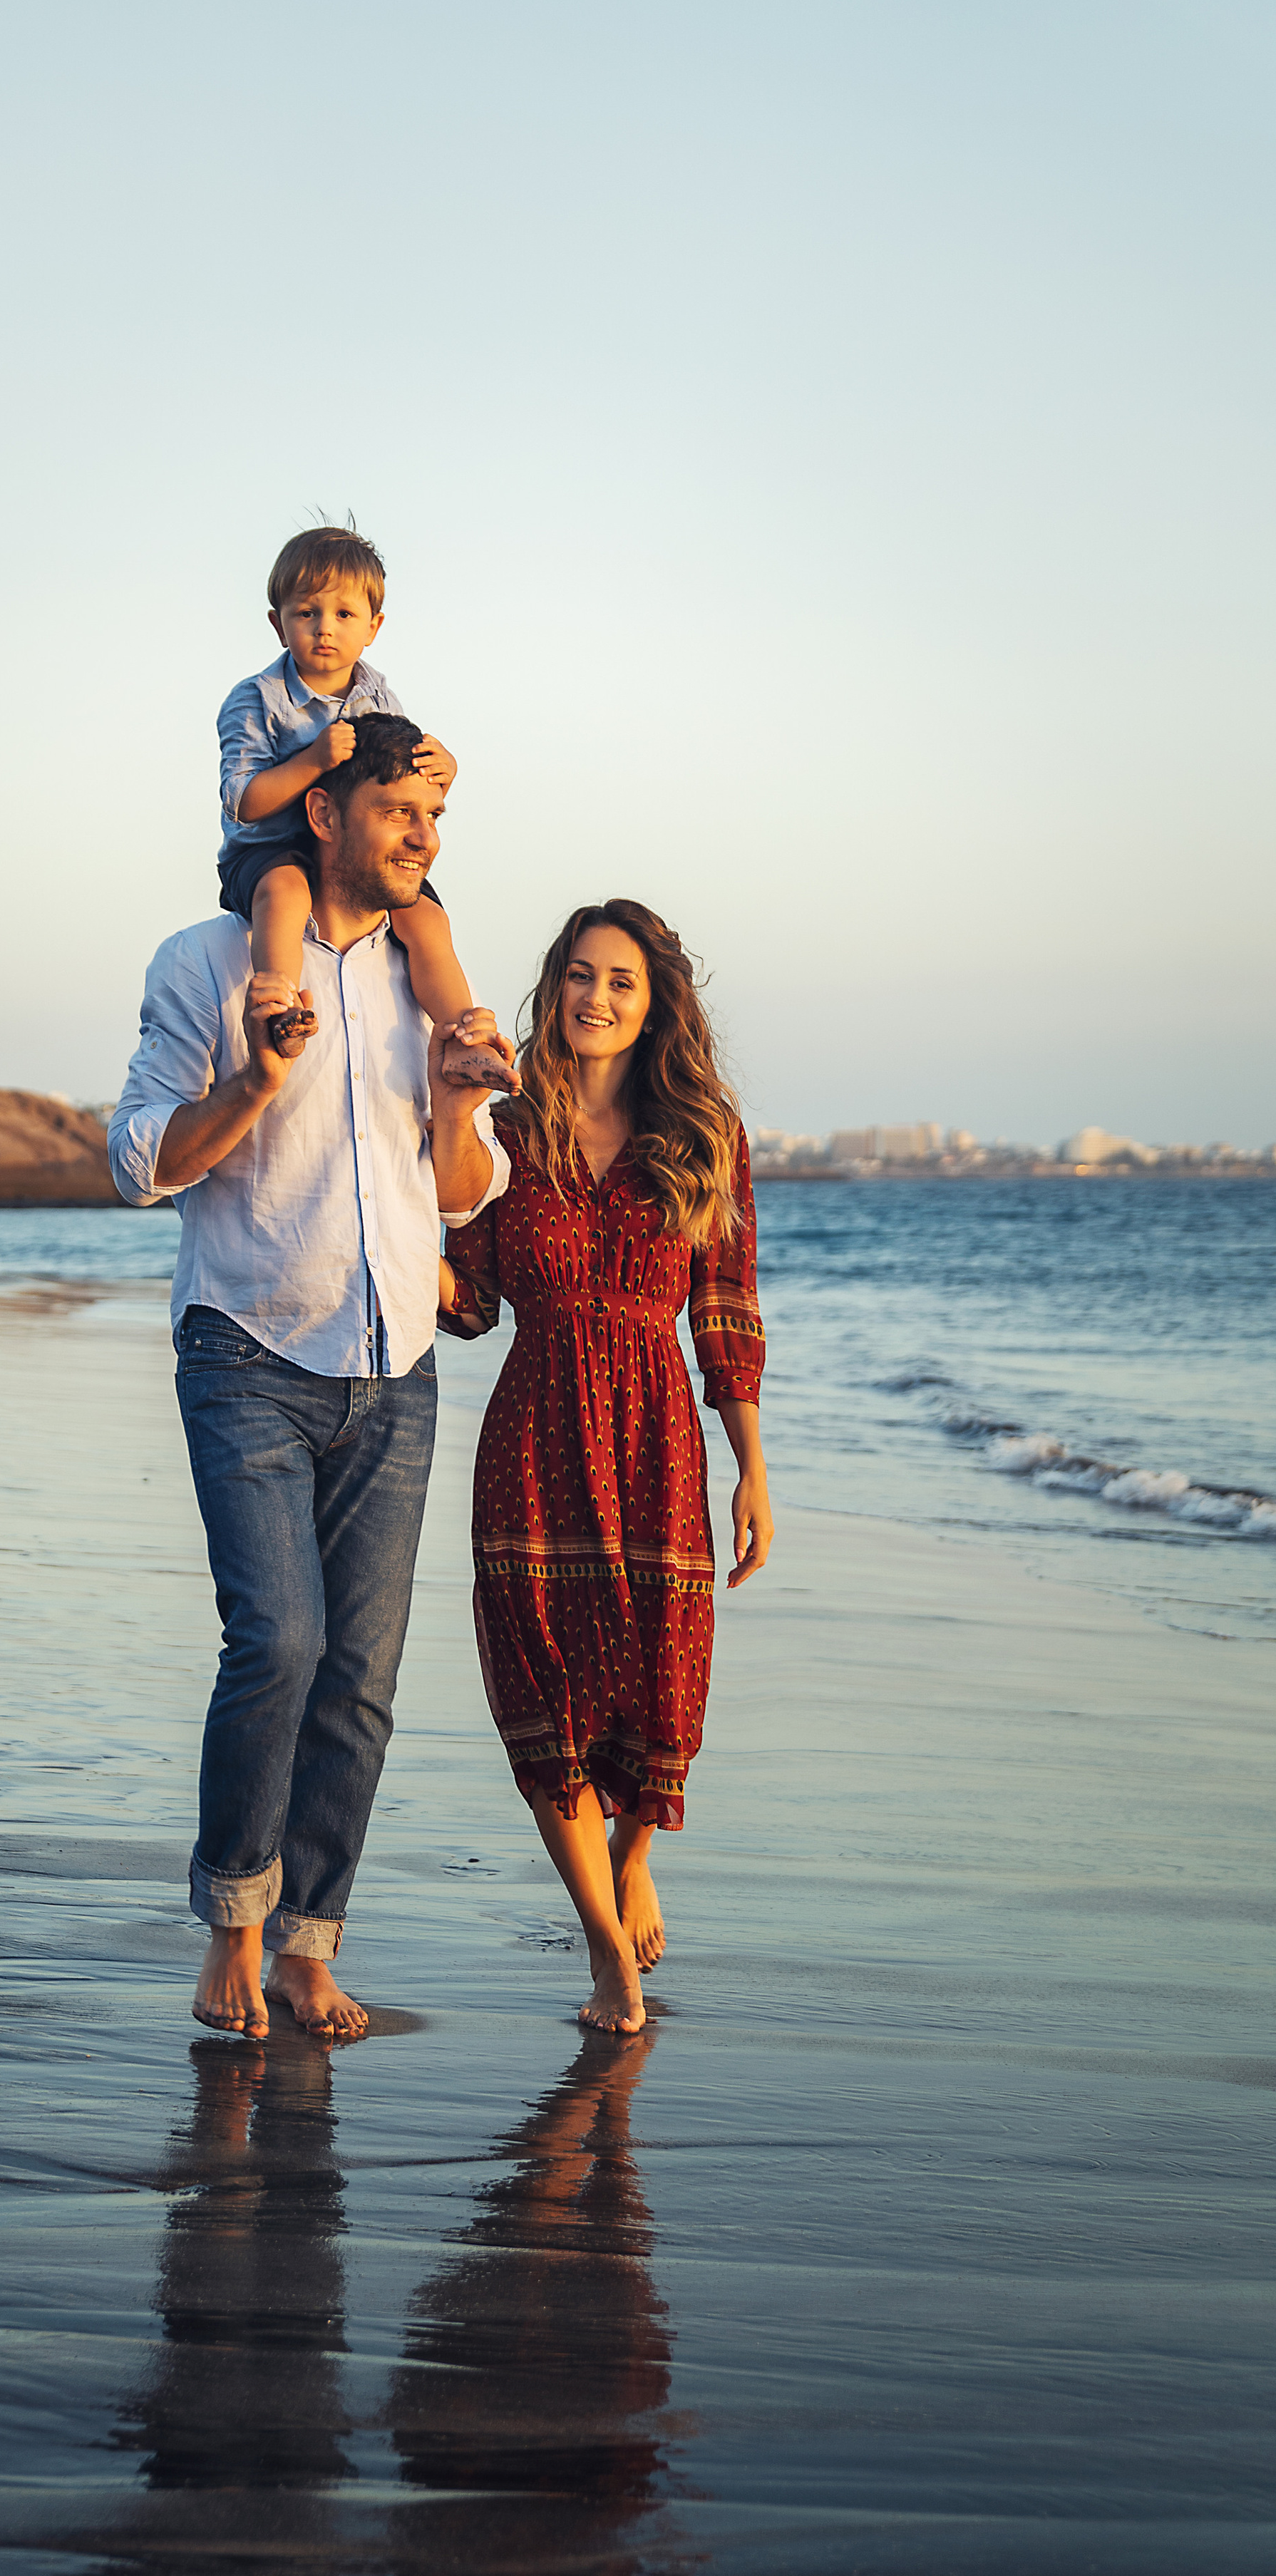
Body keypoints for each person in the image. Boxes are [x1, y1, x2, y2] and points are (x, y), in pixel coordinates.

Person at [110, 723, 515, 2043]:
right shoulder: (210, 962)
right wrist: (253, 1077)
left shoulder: (429, 981)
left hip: (393, 1366)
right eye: (399, 812)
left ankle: (308, 1948)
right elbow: (137, 1162)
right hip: (246, 1348)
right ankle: (232, 1924)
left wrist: (458, 1107)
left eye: (435, 819)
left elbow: (458, 1196)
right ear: (325, 811)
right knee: (276, 1644)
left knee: (360, 1676)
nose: (423, 839)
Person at [439, 900, 772, 2036]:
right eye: (579, 976)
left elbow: (726, 1309)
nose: (596, 998)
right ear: (555, 986)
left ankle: (636, 1857)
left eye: (621, 981)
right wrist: (374, 1244)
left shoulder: (702, 1133)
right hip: (532, 1438)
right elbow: (470, 1300)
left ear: (654, 1002)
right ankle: (604, 1956)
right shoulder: (510, 1128)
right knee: (544, 1695)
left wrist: (752, 1469)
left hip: (658, 1442)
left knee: (661, 1695)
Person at [216, 525, 515, 1086]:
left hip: (355, 851)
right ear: (278, 623)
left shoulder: (377, 696)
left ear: (374, 627)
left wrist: (444, 772)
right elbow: (243, 802)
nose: (325, 628)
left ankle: (462, 1037)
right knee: (283, 893)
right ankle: (281, 1010)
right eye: (307, 613)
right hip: (272, 848)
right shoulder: (255, 699)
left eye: (344, 615)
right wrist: (310, 763)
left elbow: (400, 781)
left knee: (424, 917)